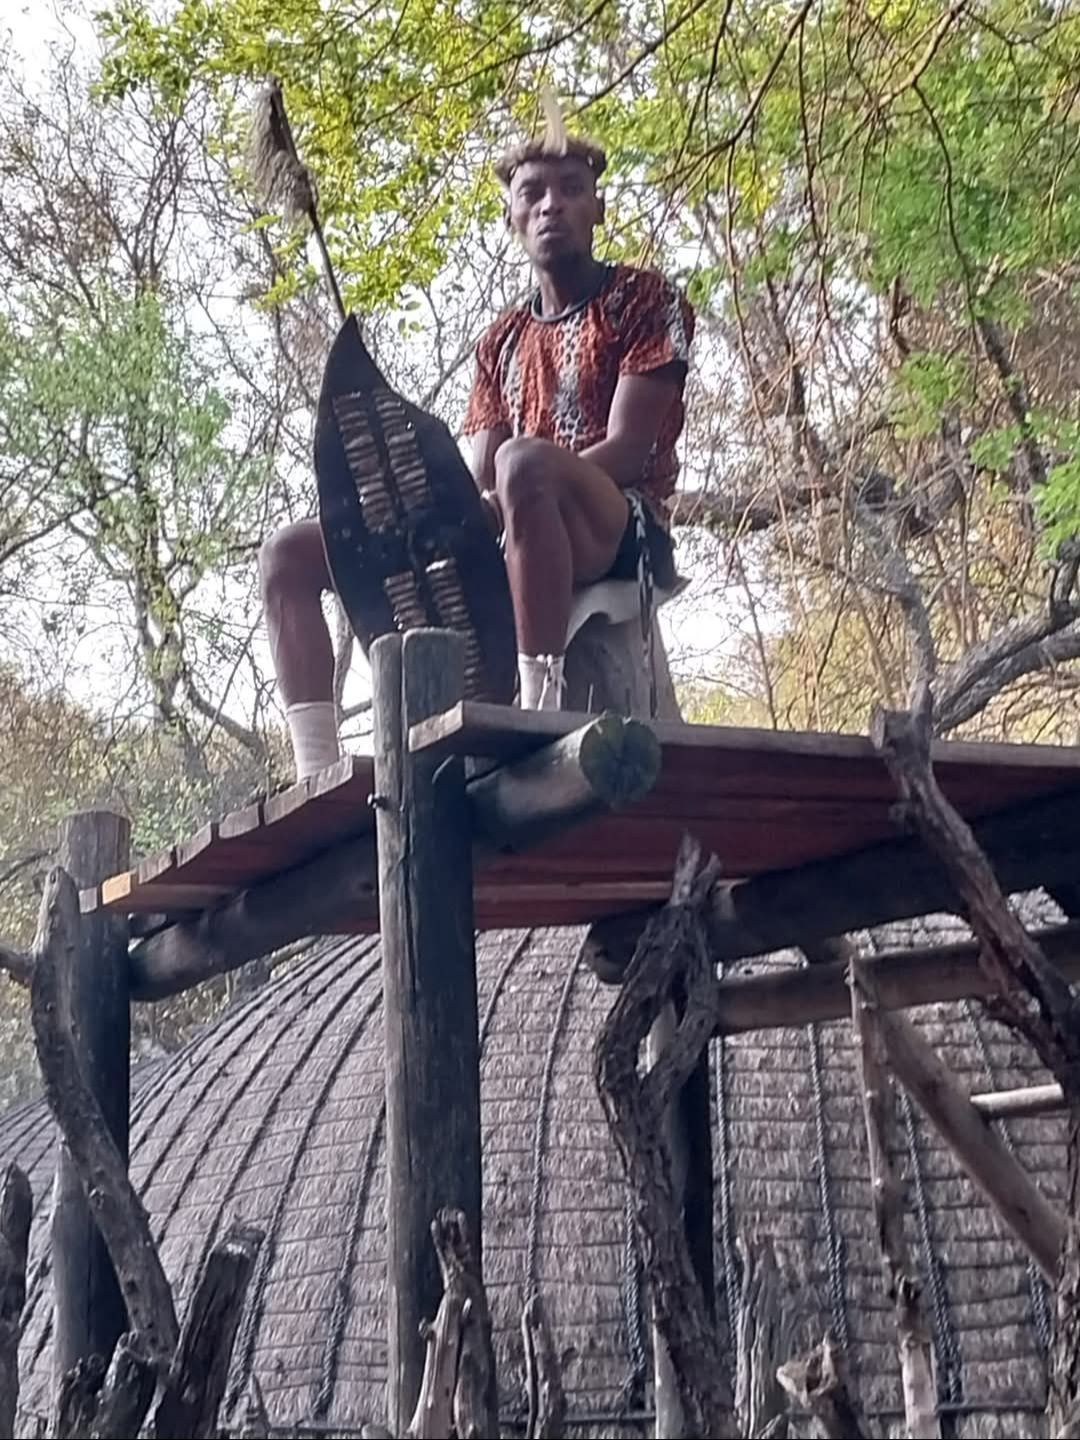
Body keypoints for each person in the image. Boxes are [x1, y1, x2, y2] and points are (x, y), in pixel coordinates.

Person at [259, 116, 694, 779]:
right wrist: (438, 512)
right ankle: (315, 767)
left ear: (598, 206)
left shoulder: (643, 298)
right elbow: (479, 473)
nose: (552, 204)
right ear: (511, 214)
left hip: (619, 521)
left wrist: (510, 493)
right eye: (533, 193)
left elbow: (630, 450)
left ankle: (535, 703)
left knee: (525, 466)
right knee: (288, 554)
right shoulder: (501, 340)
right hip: (519, 520)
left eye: (572, 189)